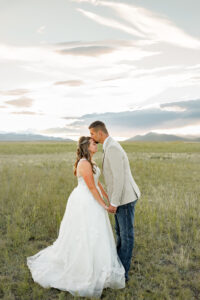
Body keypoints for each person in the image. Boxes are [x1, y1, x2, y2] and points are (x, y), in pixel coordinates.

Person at [26, 136, 125, 298]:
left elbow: (97, 182)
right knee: (84, 232)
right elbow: (91, 188)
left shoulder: (91, 162)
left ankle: (100, 264)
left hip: (93, 198)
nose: (96, 145)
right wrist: (104, 206)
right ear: (87, 146)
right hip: (85, 201)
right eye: (94, 143)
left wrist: (107, 196)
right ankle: (83, 266)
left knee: (97, 232)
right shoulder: (84, 164)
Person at [89, 121, 141, 282]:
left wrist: (114, 202)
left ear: (100, 133)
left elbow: (119, 179)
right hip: (119, 199)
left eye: (92, 134)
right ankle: (118, 267)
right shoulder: (109, 146)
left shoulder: (112, 148)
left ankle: (122, 274)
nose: (91, 137)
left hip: (124, 199)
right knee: (120, 233)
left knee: (126, 236)